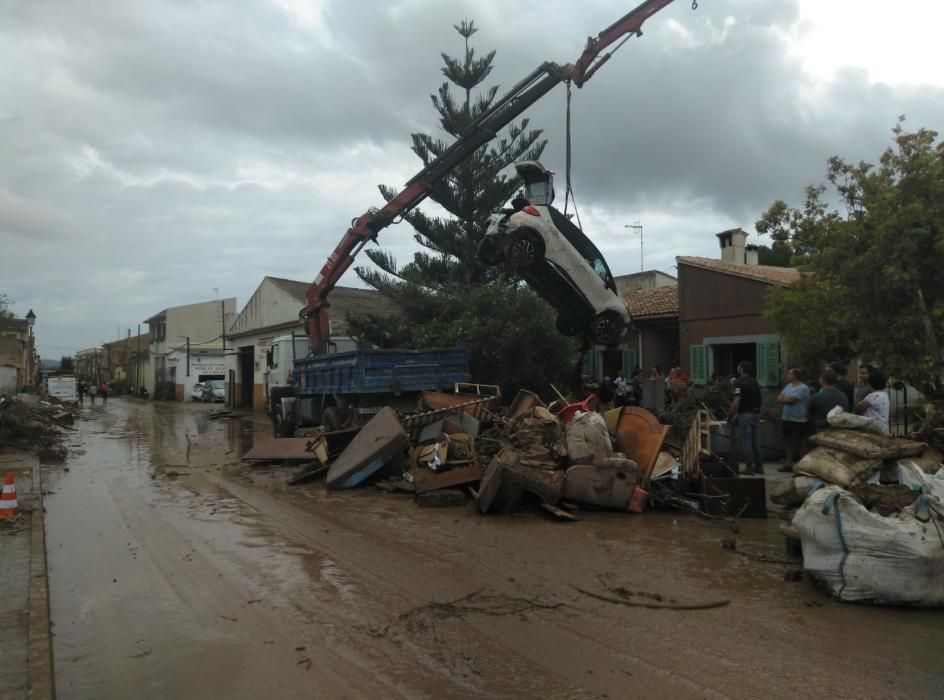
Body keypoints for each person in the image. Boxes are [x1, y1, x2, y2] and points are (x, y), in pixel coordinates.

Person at [729, 361, 763, 475]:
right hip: (756, 413)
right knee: (755, 441)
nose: (737, 368)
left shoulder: (740, 383)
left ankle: (749, 467)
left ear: (742, 369)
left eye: (738, 367)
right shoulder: (755, 382)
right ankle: (759, 466)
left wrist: (731, 414)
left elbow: (736, 401)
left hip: (746, 414)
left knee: (746, 441)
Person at [777, 368, 810, 472]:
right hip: (787, 418)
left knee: (800, 442)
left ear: (795, 376)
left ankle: (803, 466)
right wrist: (784, 399)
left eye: (789, 374)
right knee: (788, 441)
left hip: (799, 420)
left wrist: (784, 399)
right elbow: (779, 397)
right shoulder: (788, 386)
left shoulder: (803, 388)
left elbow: (791, 400)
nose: (787, 376)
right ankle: (788, 464)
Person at [808, 367, 848, 432]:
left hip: (821, 431)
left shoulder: (816, 397)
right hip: (839, 431)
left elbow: (808, 415)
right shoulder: (843, 396)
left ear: (822, 380)